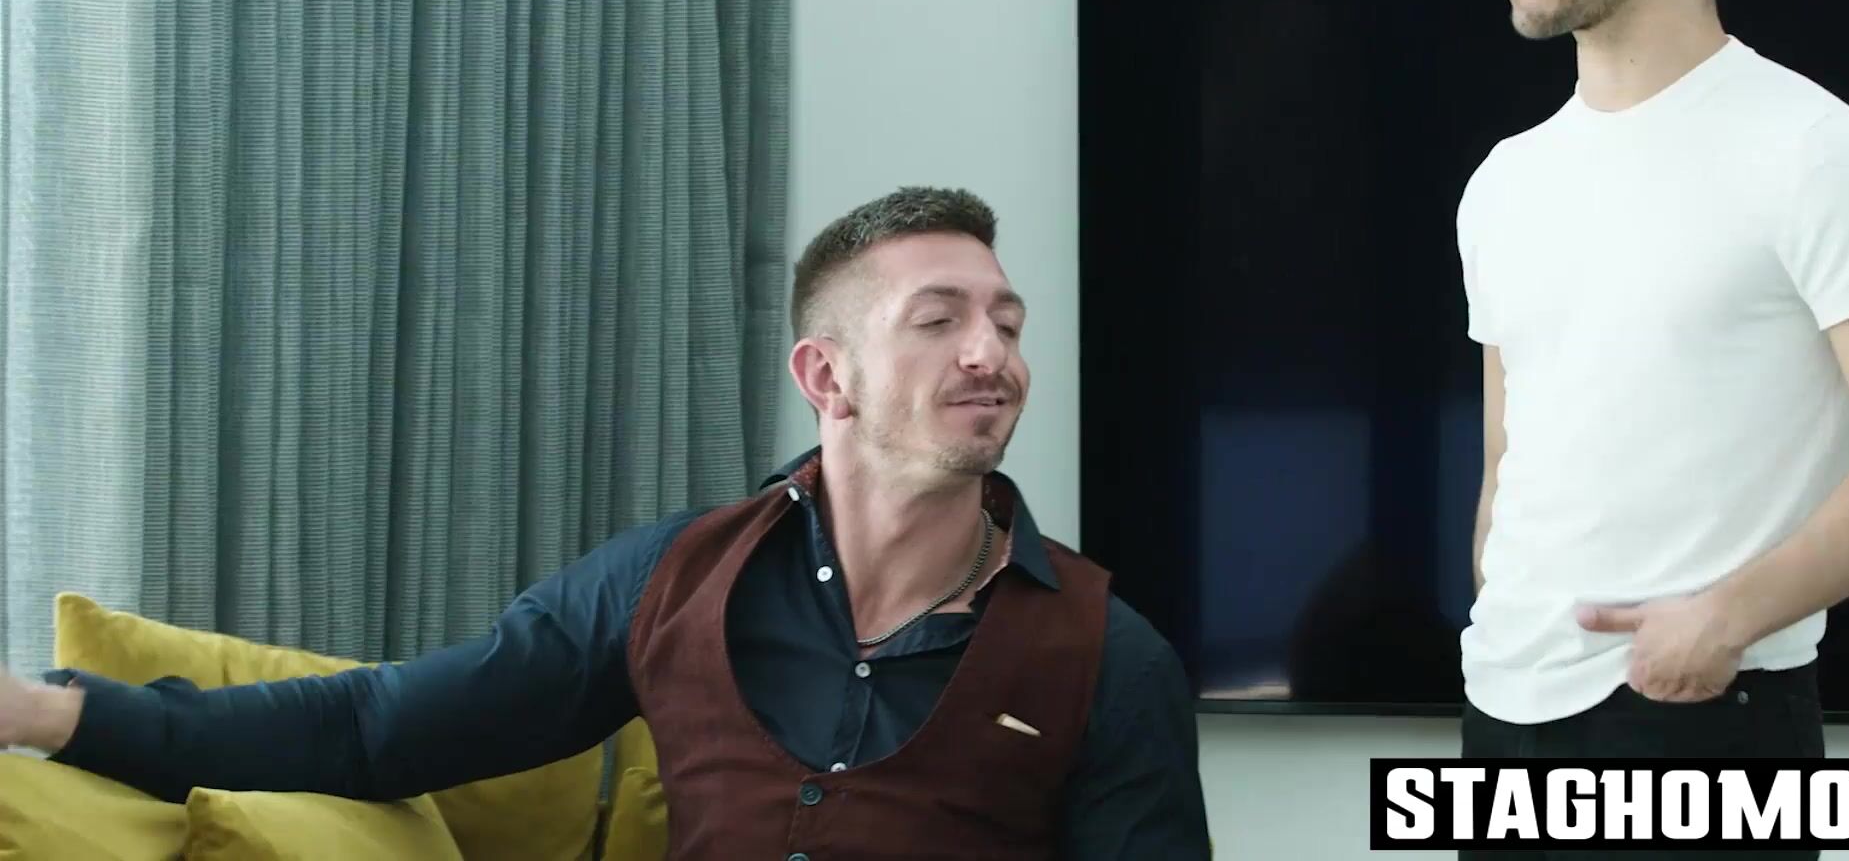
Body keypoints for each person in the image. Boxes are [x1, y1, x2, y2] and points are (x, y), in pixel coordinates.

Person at [0, 186, 1211, 859]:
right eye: (940, 321)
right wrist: (46, 713)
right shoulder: (671, 580)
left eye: (1007, 322)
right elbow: (379, 729)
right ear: (825, 376)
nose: (991, 352)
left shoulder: (1108, 657)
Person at [1459, 0, 1849, 811]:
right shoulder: (1504, 181)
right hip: (1500, 723)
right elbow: (1508, 450)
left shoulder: (1813, 154)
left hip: (1707, 716)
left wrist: (1727, 617)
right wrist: (1501, 600)